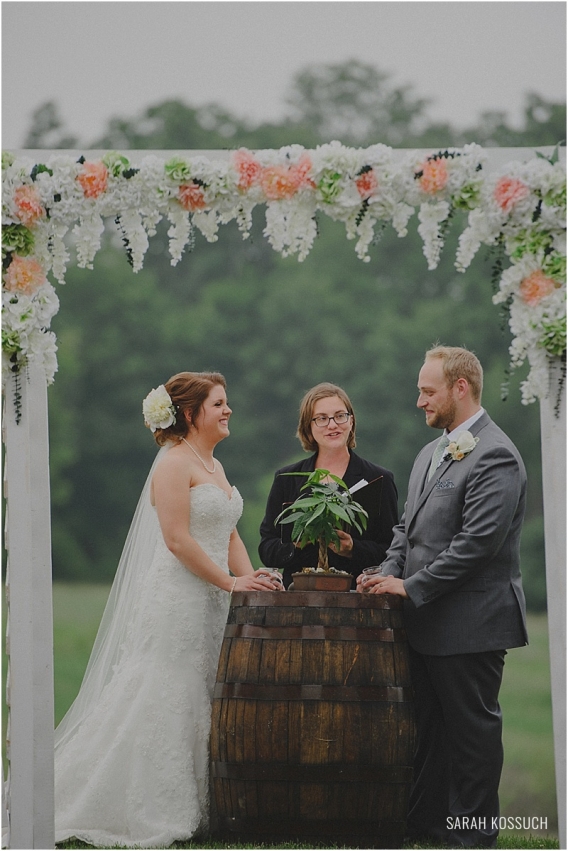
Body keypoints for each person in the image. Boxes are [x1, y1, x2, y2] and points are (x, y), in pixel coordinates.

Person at [55, 371, 278, 848]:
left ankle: (205, 799)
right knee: (165, 691)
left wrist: (254, 578)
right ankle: (150, 804)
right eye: (219, 403)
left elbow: (230, 534)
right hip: (179, 596)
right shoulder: (174, 464)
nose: (228, 410)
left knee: (203, 691)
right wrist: (230, 581)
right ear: (192, 413)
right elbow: (178, 540)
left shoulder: (214, 466)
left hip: (214, 595)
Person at [358, 346, 528, 848]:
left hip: (472, 623)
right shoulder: (429, 454)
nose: (419, 401)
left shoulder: (496, 453)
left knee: (471, 737)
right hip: (425, 623)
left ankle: (472, 838)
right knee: (428, 735)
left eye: (427, 391)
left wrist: (409, 587)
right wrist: (384, 573)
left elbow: (477, 545)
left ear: (460, 388)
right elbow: (405, 531)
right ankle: (429, 830)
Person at [259, 382, 398, 588]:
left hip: (358, 598)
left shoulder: (378, 478)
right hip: (297, 599)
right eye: (322, 419)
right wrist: (297, 546)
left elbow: (392, 550)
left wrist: (352, 549)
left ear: (351, 421)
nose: (333, 425)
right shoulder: (286, 478)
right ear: (308, 426)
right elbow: (267, 548)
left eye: (340, 416)